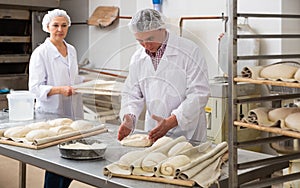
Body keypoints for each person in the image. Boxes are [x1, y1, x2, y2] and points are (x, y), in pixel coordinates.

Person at [118, 9, 210, 145]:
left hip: (187, 132)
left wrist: (171, 121)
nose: (146, 46)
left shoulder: (189, 50)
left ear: (162, 29)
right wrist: (129, 118)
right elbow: (131, 93)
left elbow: (199, 94)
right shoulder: (138, 58)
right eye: (140, 41)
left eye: (150, 39)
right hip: (153, 131)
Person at [28, 9, 83, 188]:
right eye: (56, 25)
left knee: (71, 157)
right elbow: (35, 88)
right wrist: (59, 90)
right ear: (47, 27)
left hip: (72, 111)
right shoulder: (40, 53)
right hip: (52, 114)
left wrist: (87, 83)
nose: (60, 29)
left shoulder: (72, 50)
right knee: (55, 162)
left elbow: (73, 78)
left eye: (64, 25)